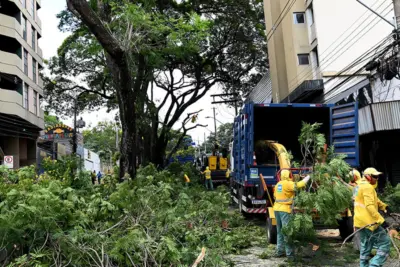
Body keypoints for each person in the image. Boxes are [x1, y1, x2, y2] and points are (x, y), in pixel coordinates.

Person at [353, 167, 391, 267]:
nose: (377, 179)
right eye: (374, 176)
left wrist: (384, 206)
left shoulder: (359, 186)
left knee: (365, 247)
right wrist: (381, 220)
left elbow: (375, 200)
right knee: (385, 243)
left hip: (359, 222)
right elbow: (369, 206)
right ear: (368, 177)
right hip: (369, 222)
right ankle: (374, 265)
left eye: (377, 176)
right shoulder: (368, 187)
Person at [273, 170, 310, 260]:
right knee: (287, 232)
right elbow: (299, 185)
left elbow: (275, 196)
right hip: (285, 210)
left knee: (280, 231)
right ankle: (290, 255)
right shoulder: (287, 183)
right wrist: (308, 177)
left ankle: (280, 251)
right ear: (288, 175)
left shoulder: (278, 184)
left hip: (276, 209)